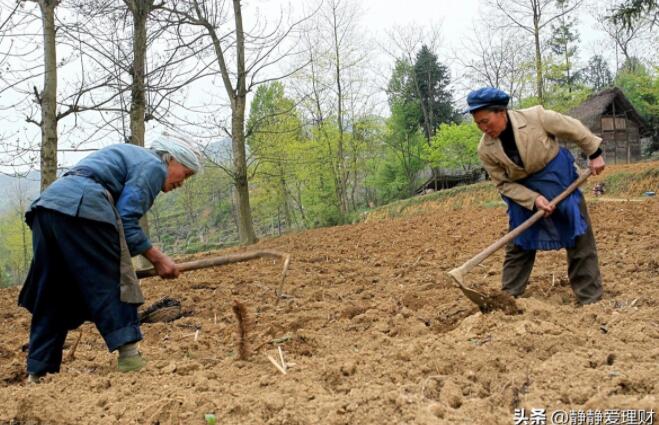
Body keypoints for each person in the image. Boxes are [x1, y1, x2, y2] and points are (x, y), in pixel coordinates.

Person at [18, 134, 201, 382]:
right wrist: (157, 258)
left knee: (53, 292)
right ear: (170, 159)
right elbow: (125, 221)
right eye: (186, 174)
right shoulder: (153, 165)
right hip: (84, 206)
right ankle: (130, 357)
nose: (183, 182)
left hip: (46, 208)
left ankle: (38, 371)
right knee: (115, 277)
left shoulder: (133, 157)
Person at [465, 87, 605, 305]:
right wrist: (533, 200)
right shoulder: (485, 149)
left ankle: (590, 298)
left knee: (578, 234)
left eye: (486, 121)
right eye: (478, 124)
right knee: (519, 243)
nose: (484, 128)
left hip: (559, 180)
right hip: (524, 192)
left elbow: (573, 129)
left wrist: (594, 154)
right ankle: (508, 297)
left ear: (501, 112)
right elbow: (503, 184)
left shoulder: (536, 117)